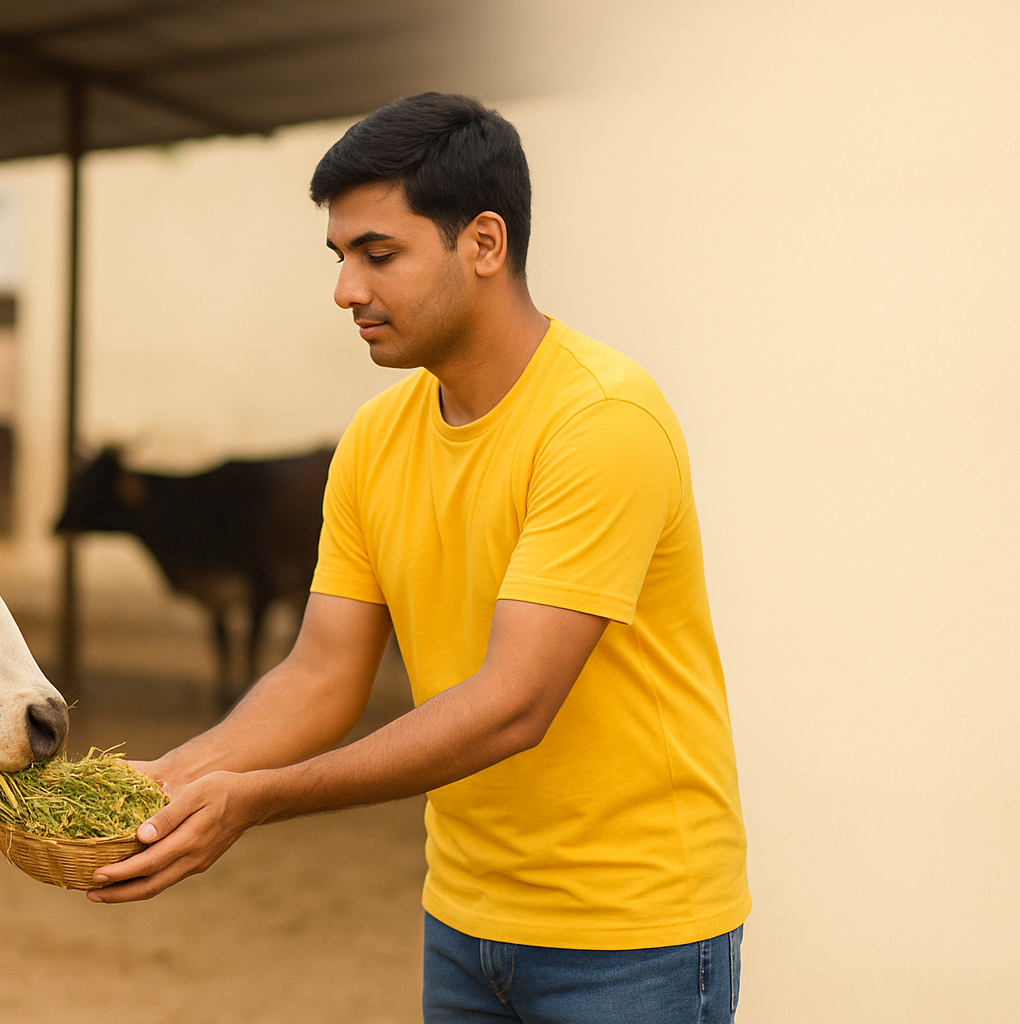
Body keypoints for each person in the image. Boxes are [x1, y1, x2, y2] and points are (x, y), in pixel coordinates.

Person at [89, 92, 749, 1023]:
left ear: (484, 243)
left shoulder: (602, 421)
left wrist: (256, 800)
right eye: (340, 256)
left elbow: (513, 704)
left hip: (631, 935)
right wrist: (169, 782)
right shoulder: (374, 439)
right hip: (464, 924)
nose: (346, 289)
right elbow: (322, 672)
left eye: (378, 254)